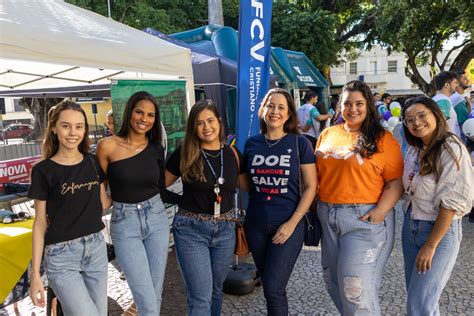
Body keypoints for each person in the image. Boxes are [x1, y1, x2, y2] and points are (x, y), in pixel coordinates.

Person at [315, 80, 403, 315]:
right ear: (339, 106)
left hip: (364, 220)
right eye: (347, 103)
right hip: (328, 217)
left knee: (355, 290)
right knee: (333, 282)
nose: (352, 109)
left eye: (359, 103)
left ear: (369, 106)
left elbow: (395, 183)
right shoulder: (327, 134)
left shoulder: (383, 139)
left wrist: (380, 212)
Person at [96, 91, 178, 315]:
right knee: (144, 292)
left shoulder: (156, 149)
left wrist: (187, 200)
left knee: (154, 288)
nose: (145, 119)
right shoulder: (107, 146)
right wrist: (105, 202)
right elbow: (98, 184)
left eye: (151, 115)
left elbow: (159, 188)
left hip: (157, 218)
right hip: (125, 223)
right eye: (139, 112)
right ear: (129, 112)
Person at [29, 100, 111, 315]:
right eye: (66, 126)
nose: (73, 132)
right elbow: (39, 224)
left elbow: (104, 203)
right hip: (61, 256)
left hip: (95, 248)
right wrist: (35, 276)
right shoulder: (43, 171)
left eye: (79, 126)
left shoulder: (93, 163)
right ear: (54, 128)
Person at [165, 99, 246, 316]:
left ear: (219, 122)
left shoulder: (233, 153)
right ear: (193, 127)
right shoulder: (185, 152)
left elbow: (248, 184)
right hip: (191, 230)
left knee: (216, 290)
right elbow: (159, 185)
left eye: (210, 120)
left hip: (225, 230)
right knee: (200, 297)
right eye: (199, 123)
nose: (206, 127)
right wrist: (179, 201)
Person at [244, 88, 317, 315]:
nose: (275, 111)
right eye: (270, 105)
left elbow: (311, 187)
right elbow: (247, 183)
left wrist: (292, 223)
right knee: (269, 286)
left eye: (281, 107)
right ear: (263, 110)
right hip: (255, 225)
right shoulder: (251, 144)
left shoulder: (300, 143)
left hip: (288, 225)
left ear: (289, 115)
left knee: (275, 288)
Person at [400, 96, 473, 315]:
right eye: (410, 119)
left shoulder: (451, 149)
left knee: (420, 304)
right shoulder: (417, 149)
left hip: (437, 232)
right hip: (410, 227)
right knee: (419, 297)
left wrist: (431, 245)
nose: (416, 122)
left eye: (422, 115)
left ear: (437, 115)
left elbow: (450, 204)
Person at [432, 71, 460, 136]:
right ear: (446, 85)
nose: (457, 85)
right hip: (448, 141)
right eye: (455, 83)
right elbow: (441, 123)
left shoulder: (438, 98)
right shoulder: (443, 100)